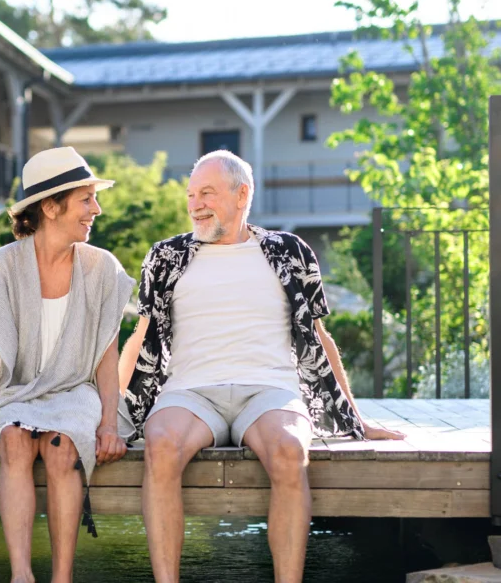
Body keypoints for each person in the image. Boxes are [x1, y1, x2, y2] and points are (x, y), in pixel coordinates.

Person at [117, 149, 406, 583]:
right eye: (191, 194)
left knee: (291, 450)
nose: (195, 204)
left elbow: (319, 338)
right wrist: (109, 416)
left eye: (207, 193)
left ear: (241, 194)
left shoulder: (290, 252)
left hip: (270, 390)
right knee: (160, 447)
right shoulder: (166, 257)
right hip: (190, 392)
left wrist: (355, 418)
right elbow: (139, 337)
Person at [0, 146, 133, 583]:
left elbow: (107, 362)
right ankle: (21, 575)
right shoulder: (0, 267)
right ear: (51, 207)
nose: (97, 209)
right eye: (87, 199)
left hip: (77, 392)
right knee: (14, 439)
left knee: (62, 445)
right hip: (17, 391)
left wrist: (109, 425)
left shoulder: (103, 268)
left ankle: (62, 577)